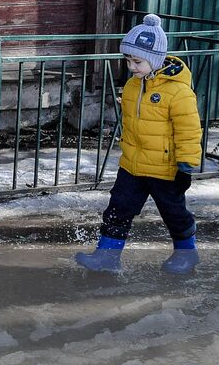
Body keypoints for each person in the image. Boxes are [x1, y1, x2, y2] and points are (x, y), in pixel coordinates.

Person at [74, 14, 203, 274]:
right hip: (132, 166)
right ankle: (107, 256)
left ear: (155, 61)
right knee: (117, 209)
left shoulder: (178, 92)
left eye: (137, 61)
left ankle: (187, 253)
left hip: (165, 168)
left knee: (173, 213)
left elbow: (189, 130)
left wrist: (186, 165)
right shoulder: (133, 86)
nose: (131, 67)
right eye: (128, 60)